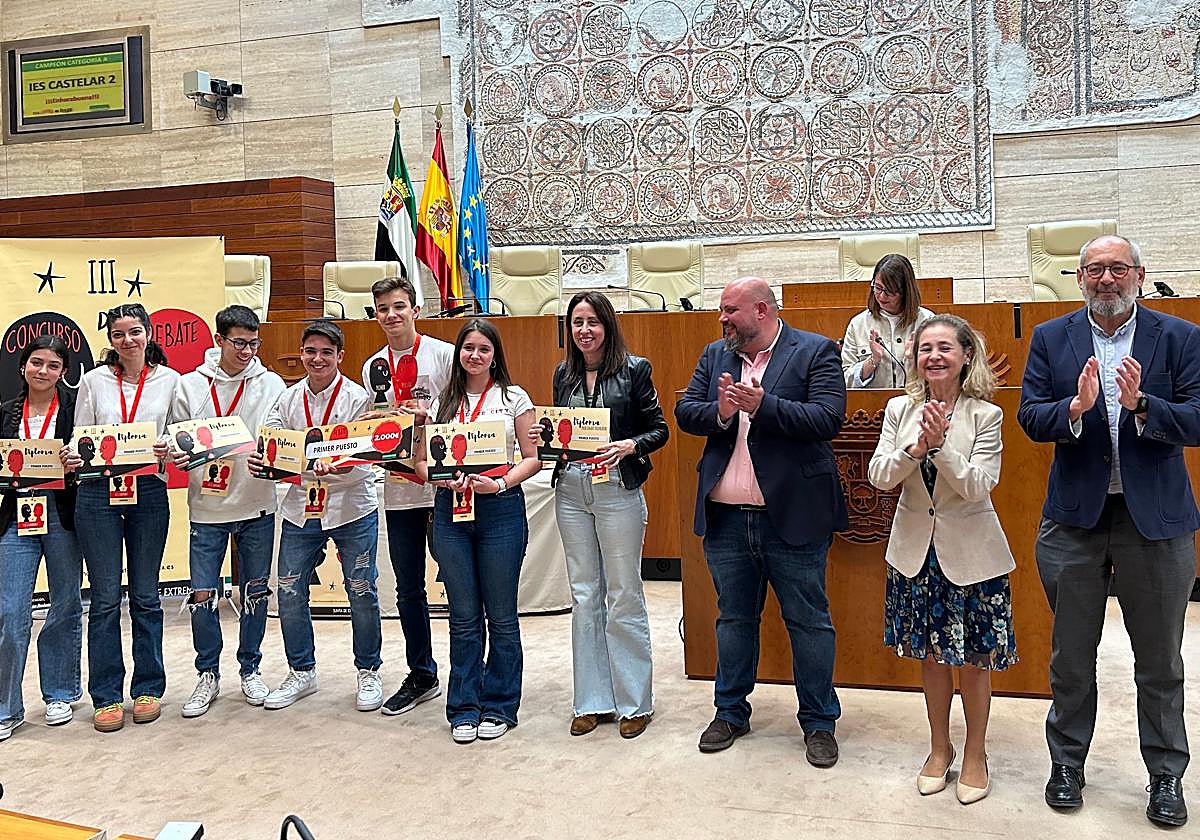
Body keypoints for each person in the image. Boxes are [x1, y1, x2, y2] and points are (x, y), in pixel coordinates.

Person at [1018, 234, 1199, 827]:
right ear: (1079, 279)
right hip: (1075, 519)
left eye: (1117, 269)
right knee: (1071, 657)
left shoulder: (1180, 337)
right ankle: (1067, 763)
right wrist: (1073, 409)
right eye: (1094, 269)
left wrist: (1144, 403)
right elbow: (1029, 416)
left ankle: (1166, 776)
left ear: (1140, 275)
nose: (1106, 279)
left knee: (1159, 660)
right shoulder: (1051, 338)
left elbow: (1196, 421)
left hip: (1157, 521)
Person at [675, 276, 848, 765]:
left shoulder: (815, 351)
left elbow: (828, 418)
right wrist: (723, 413)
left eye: (731, 310)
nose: (723, 319)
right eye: (721, 311)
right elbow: (686, 411)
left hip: (791, 516)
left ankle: (818, 722)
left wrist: (764, 406)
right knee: (733, 619)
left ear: (763, 310)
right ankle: (730, 712)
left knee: (809, 622)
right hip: (727, 518)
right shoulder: (716, 356)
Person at [868, 314, 1017, 804]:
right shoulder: (897, 409)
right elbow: (880, 476)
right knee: (931, 659)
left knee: (975, 661)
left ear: (965, 356)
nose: (933, 356)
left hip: (972, 557)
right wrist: (917, 445)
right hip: (915, 555)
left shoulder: (985, 416)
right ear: (914, 357)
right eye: (925, 348)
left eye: (945, 348)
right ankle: (939, 748)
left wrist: (943, 446)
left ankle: (976, 752)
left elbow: (976, 486)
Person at [530, 291, 669, 739]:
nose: (584, 330)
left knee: (624, 592)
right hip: (571, 489)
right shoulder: (563, 375)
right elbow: (558, 436)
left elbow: (659, 429)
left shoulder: (635, 369)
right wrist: (542, 434)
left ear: (607, 325)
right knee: (585, 593)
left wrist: (630, 445)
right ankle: (592, 700)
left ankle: (634, 702)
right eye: (577, 323)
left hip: (618, 490)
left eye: (592, 322)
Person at [416, 319, 540, 744]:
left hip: (500, 509)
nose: (475, 355)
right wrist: (441, 479)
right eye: (468, 348)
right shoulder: (441, 403)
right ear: (458, 353)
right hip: (451, 512)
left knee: (502, 616)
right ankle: (464, 707)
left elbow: (532, 457)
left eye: (483, 349)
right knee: (463, 618)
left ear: (494, 355)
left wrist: (501, 483)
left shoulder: (513, 397)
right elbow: (420, 464)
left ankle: (501, 706)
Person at [253, 320, 384, 712]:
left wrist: (341, 464)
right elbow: (273, 442)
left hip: (352, 506)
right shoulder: (288, 399)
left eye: (327, 352)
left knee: (361, 590)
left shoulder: (359, 399)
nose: (317, 358)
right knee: (290, 589)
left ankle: (369, 669)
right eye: (310, 351)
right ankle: (302, 670)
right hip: (300, 507)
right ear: (302, 353)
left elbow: (367, 453)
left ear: (340, 357)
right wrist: (273, 460)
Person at [169, 305, 286, 718]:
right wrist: (181, 457)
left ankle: (250, 667)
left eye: (254, 343)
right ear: (218, 341)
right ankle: (207, 673)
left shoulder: (271, 383)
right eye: (239, 343)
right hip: (206, 507)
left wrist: (276, 458)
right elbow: (175, 441)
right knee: (203, 594)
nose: (248, 351)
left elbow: (281, 435)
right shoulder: (188, 385)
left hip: (256, 502)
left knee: (254, 591)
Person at [67, 303, 179, 732]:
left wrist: (168, 445)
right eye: (118, 334)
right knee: (106, 598)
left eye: (135, 332)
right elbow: (81, 436)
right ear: (110, 340)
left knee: (148, 596)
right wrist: (75, 455)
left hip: (149, 490)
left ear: (148, 333)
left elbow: (178, 431)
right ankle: (107, 695)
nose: (127, 341)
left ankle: (148, 686)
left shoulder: (170, 380)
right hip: (98, 492)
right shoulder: (93, 380)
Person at [359, 275, 454, 716]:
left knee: (459, 584)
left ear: (415, 310)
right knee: (408, 589)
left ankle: (470, 671)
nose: (391, 315)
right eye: (383, 310)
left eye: (399, 307)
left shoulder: (444, 356)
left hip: (442, 488)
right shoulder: (372, 365)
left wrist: (425, 414)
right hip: (398, 491)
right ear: (376, 316)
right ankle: (422, 673)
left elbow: (460, 413)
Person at [0, 337, 82, 741]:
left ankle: (60, 692)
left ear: (63, 372)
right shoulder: (4, 414)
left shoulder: (73, 410)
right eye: (36, 363)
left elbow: (91, 460)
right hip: (16, 519)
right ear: (23, 367)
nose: (43, 371)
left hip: (62, 517)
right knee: (10, 613)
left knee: (65, 605)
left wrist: (73, 462)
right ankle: (6, 707)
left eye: (53, 365)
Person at [841, 253, 933, 389]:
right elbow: (844, 380)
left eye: (890, 291)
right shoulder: (858, 324)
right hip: (871, 406)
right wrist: (873, 360)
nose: (882, 296)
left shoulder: (927, 322)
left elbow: (941, 375)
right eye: (878, 288)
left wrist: (913, 359)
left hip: (917, 404)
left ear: (906, 291)